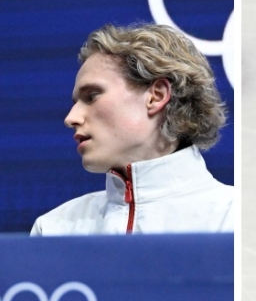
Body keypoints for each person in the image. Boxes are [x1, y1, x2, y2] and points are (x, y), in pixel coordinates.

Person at [32, 23, 232, 235]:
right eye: (76, 103)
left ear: (156, 96)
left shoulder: (235, 217)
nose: (70, 118)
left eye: (92, 96)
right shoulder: (53, 229)